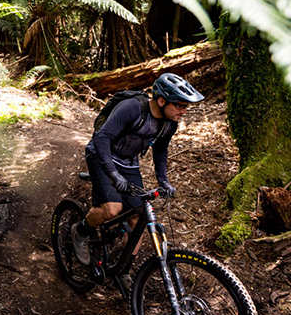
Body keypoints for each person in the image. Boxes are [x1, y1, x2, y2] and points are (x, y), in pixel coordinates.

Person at [72, 72, 204, 278]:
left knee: (138, 218)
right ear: (161, 100)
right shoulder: (133, 108)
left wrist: (163, 180)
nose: (184, 111)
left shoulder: (170, 123)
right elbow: (102, 138)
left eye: (186, 106)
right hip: (101, 155)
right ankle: (80, 231)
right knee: (111, 209)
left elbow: (160, 150)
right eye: (179, 105)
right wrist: (113, 174)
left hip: (129, 163)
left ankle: (121, 269)